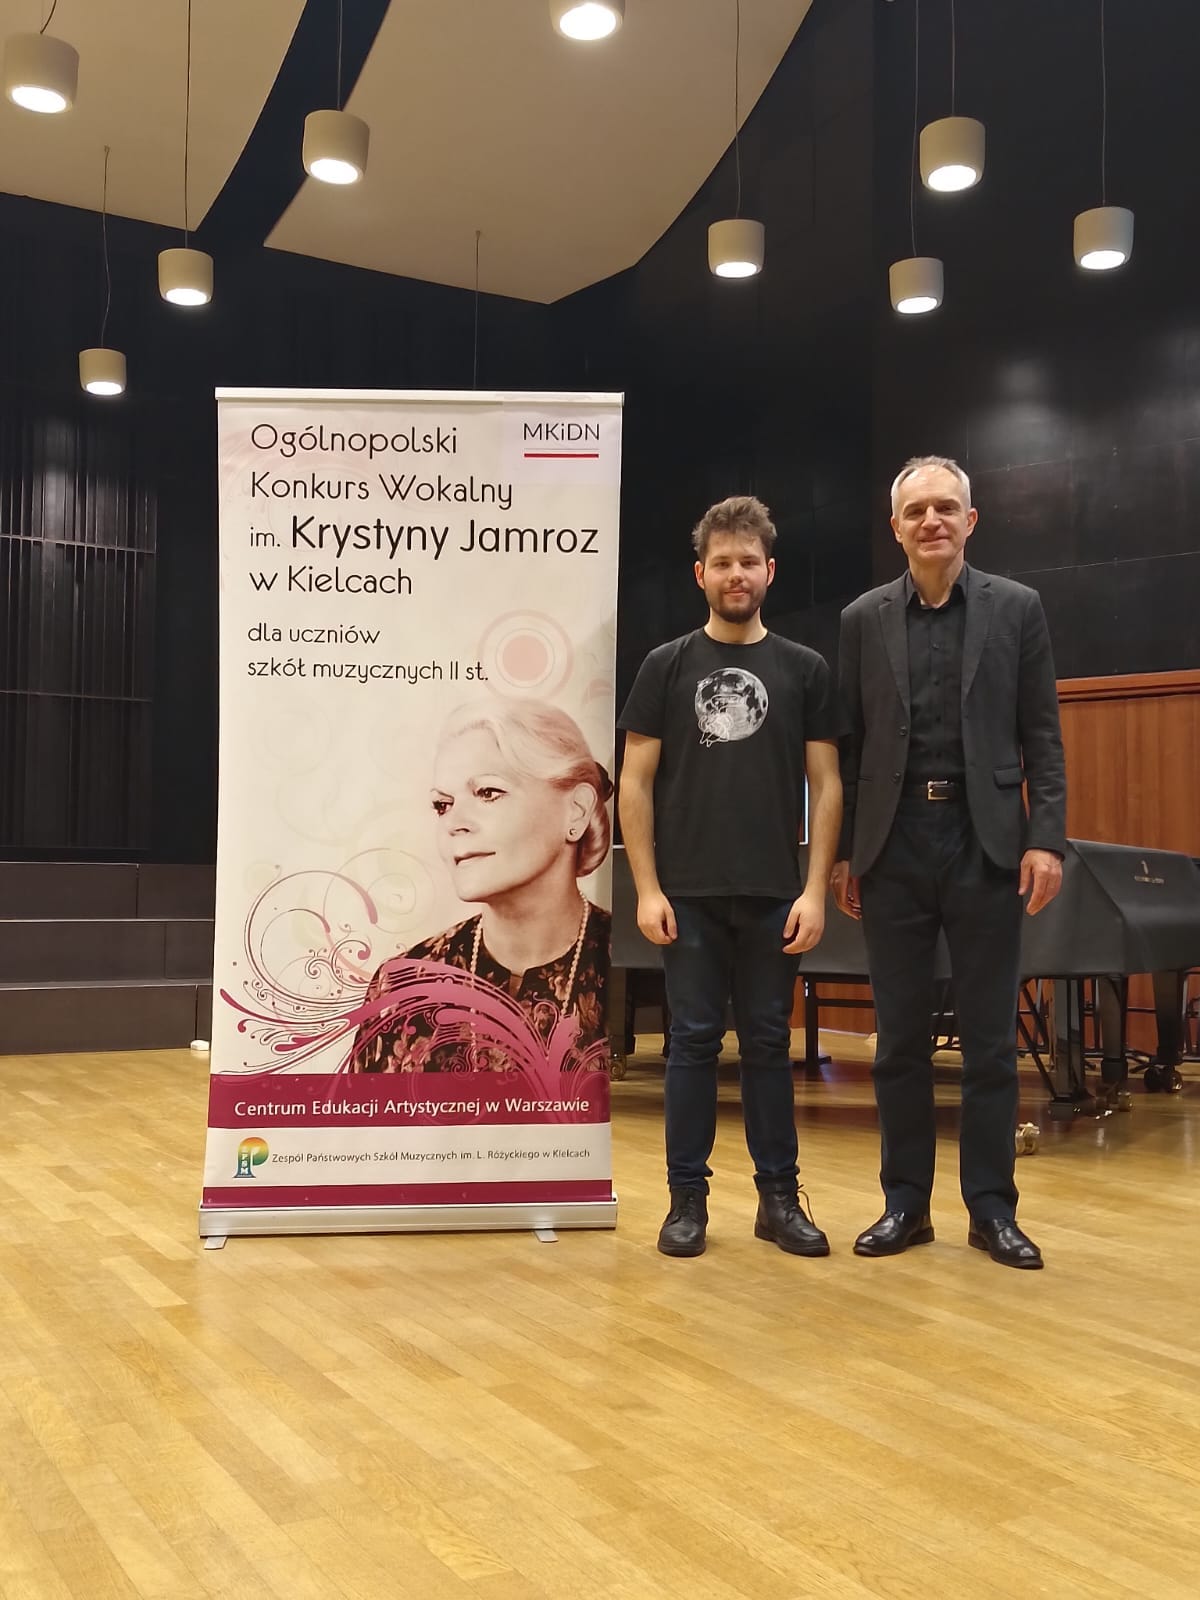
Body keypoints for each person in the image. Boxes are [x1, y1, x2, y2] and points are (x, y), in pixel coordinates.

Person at [833, 455, 1066, 1269]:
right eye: (916, 511)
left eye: (945, 507)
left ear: (971, 520)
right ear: (895, 527)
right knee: (898, 1042)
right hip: (892, 846)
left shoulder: (1018, 608)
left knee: (990, 1044)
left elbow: (1043, 735)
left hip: (987, 843)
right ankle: (905, 1205)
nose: (931, 520)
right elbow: (849, 748)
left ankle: (992, 1210)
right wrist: (845, 853)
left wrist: (1046, 837)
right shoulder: (861, 619)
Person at [618, 495, 842, 1258]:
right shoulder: (666, 666)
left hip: (777, 892)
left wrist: (814, 890)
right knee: (690, 1043)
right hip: (686, 895)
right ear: (700, 575)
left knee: (770, 1046)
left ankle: (779, 1200)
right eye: (722, 563)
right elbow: (634, 783)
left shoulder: (805, 670)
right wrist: (648, 888)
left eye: (748, 561)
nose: (735, 573)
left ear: (770, 571)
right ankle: (687, 1202)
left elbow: (827, 785)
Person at [350, 698, 612, 1073]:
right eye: (442, 805)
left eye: (488, 792)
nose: (455, 823)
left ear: (577, 810)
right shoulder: (402, 985)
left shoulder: (616, 961)